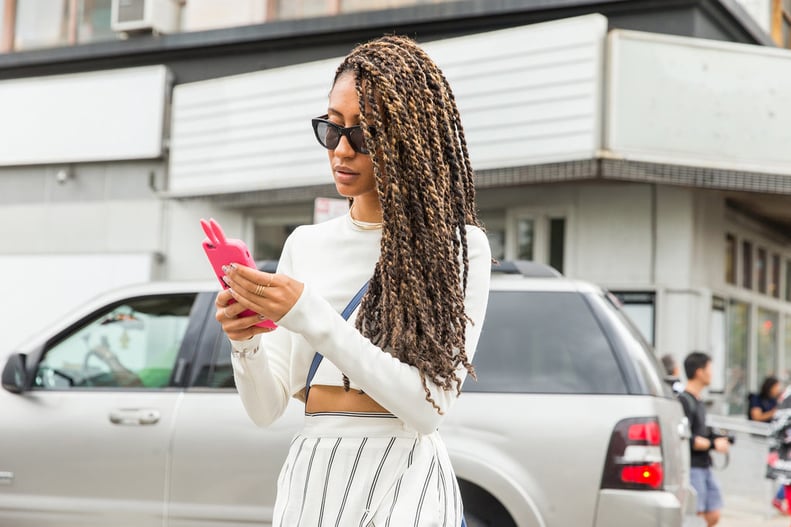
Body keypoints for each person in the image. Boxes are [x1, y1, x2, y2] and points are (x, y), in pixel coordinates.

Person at [214, 35, 491, 526]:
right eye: (331, 128)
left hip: (405, 479)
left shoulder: (457, 247)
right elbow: (265, 408)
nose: (341, 150)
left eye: (364, 135)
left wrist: (310, 315)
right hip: (312, 476)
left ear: (407, 138)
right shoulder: (305, 243)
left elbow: (427, 410)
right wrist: (245, 343)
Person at [679, 352, 730, 527]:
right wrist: (713, 444)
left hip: (704, 466)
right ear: (700, 372)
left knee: (713, 514)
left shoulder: (699, 401)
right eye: (710, 368)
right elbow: (686, 437)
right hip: (692, 467)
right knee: (696, 515)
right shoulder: (684, 401)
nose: (712, 373)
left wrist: (717, 439)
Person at [750, 376, 789, 514]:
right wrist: (774, 413)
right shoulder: (757, 398)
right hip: (763, 440)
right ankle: (778, 498)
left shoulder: (778, 399)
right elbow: (757, 416)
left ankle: (779, 498)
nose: (777, 389)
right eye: (775, 386)